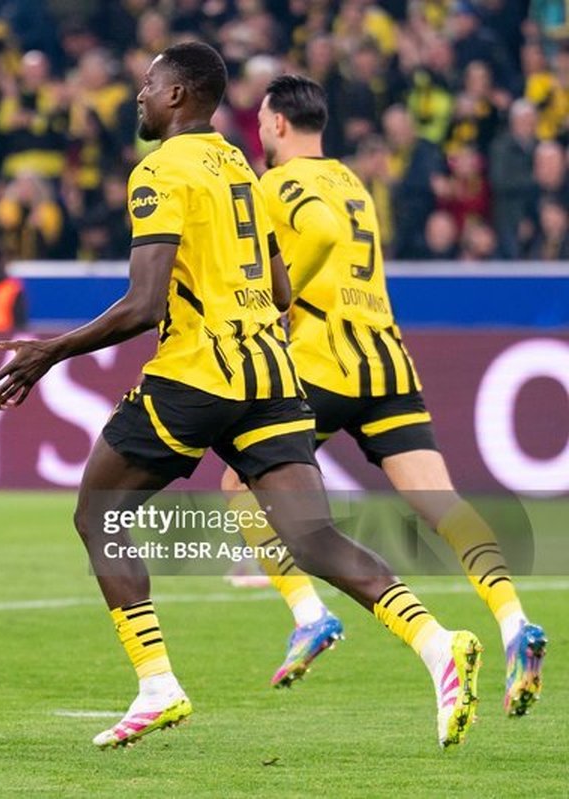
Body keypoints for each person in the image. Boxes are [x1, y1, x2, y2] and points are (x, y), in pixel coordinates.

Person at [0, 43, 482, 750]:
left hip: (198, 373)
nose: (139, 94)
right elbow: (280, 289)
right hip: (272, 373)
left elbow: (144, 303)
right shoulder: (240, 167)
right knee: (314, 538)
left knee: (99, 512)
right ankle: (437, 644)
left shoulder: (160, 170)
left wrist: (49, 351)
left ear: (179, 95)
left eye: (149, 82)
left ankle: (158, 684)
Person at [220, 74, 545, 717]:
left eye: (260, 121)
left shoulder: (277, 185)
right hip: (388, 361)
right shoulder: (353, 184)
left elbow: (306, 243)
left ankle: (308, 614)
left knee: (238, 481)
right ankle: (515, 622)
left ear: (279, 123)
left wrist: (276, 303)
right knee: (442, 504)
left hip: (321, 363)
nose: (259, 132)